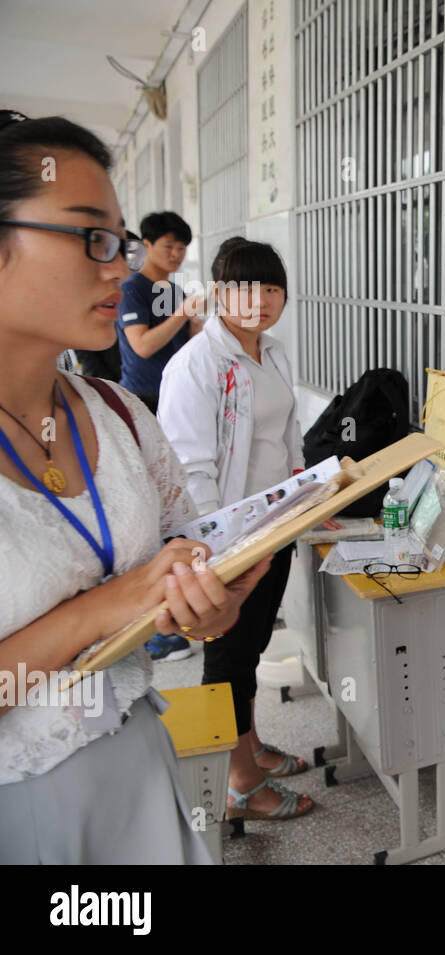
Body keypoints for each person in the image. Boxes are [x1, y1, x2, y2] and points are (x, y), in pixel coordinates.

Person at [0, 109, 271, 863]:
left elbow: (181, 587)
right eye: (89, 237)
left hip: (139, 762)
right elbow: (128, 596)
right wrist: (114, 603)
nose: (119, 268)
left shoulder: (119, 415)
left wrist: (210, 603)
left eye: (119, 241)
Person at [158, 240, 314, 822]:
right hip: (228, 541)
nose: (261, 300)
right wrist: (214, 553)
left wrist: (306, 487)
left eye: (272, 288)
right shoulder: (197, 365)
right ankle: (241, 785)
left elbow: (288, 434)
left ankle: (250, 746)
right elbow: (190, 468)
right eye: (247, 288)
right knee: (226, 657)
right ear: (220, 294)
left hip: (274, 527)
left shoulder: (271, 352)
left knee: (249, 647)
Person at [116, 210, 203, 414]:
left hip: (176, 393)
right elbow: (143, 346)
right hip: (142, 398)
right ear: (147, 245)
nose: (176, 254)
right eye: (169, 246)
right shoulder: (132, 289)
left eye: (181, 248)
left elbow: (184, 346)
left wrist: (196, 327)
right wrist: (182, 313)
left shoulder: (176, 291)